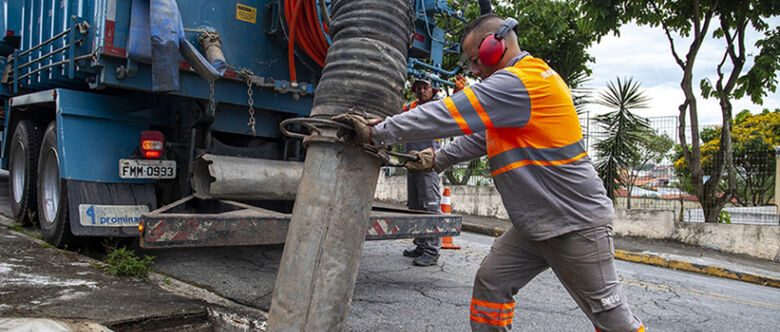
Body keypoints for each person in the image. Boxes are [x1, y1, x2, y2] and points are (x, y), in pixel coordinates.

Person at [335, 13, 644, 332]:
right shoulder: (520, 86)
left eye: (474, 59)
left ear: (495, 46)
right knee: (492, 283)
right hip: (536, 224)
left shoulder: (521, 82)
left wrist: (379, 132)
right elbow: (484, 137)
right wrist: (436, 159)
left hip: (574, 223)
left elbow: (449, 113)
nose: (474, 70)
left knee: (611, 318)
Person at [400, 76, 466, 266]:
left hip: (428, 165)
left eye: (425, 87)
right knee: (415, 208)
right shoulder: (411, 107)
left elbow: (454, 107)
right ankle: (421, 245)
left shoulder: (438, 106)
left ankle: (431, 251)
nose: (421, 91)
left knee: (430, 208)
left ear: (433, 90)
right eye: (418, 88)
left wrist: (458, 92)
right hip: (412, 164)